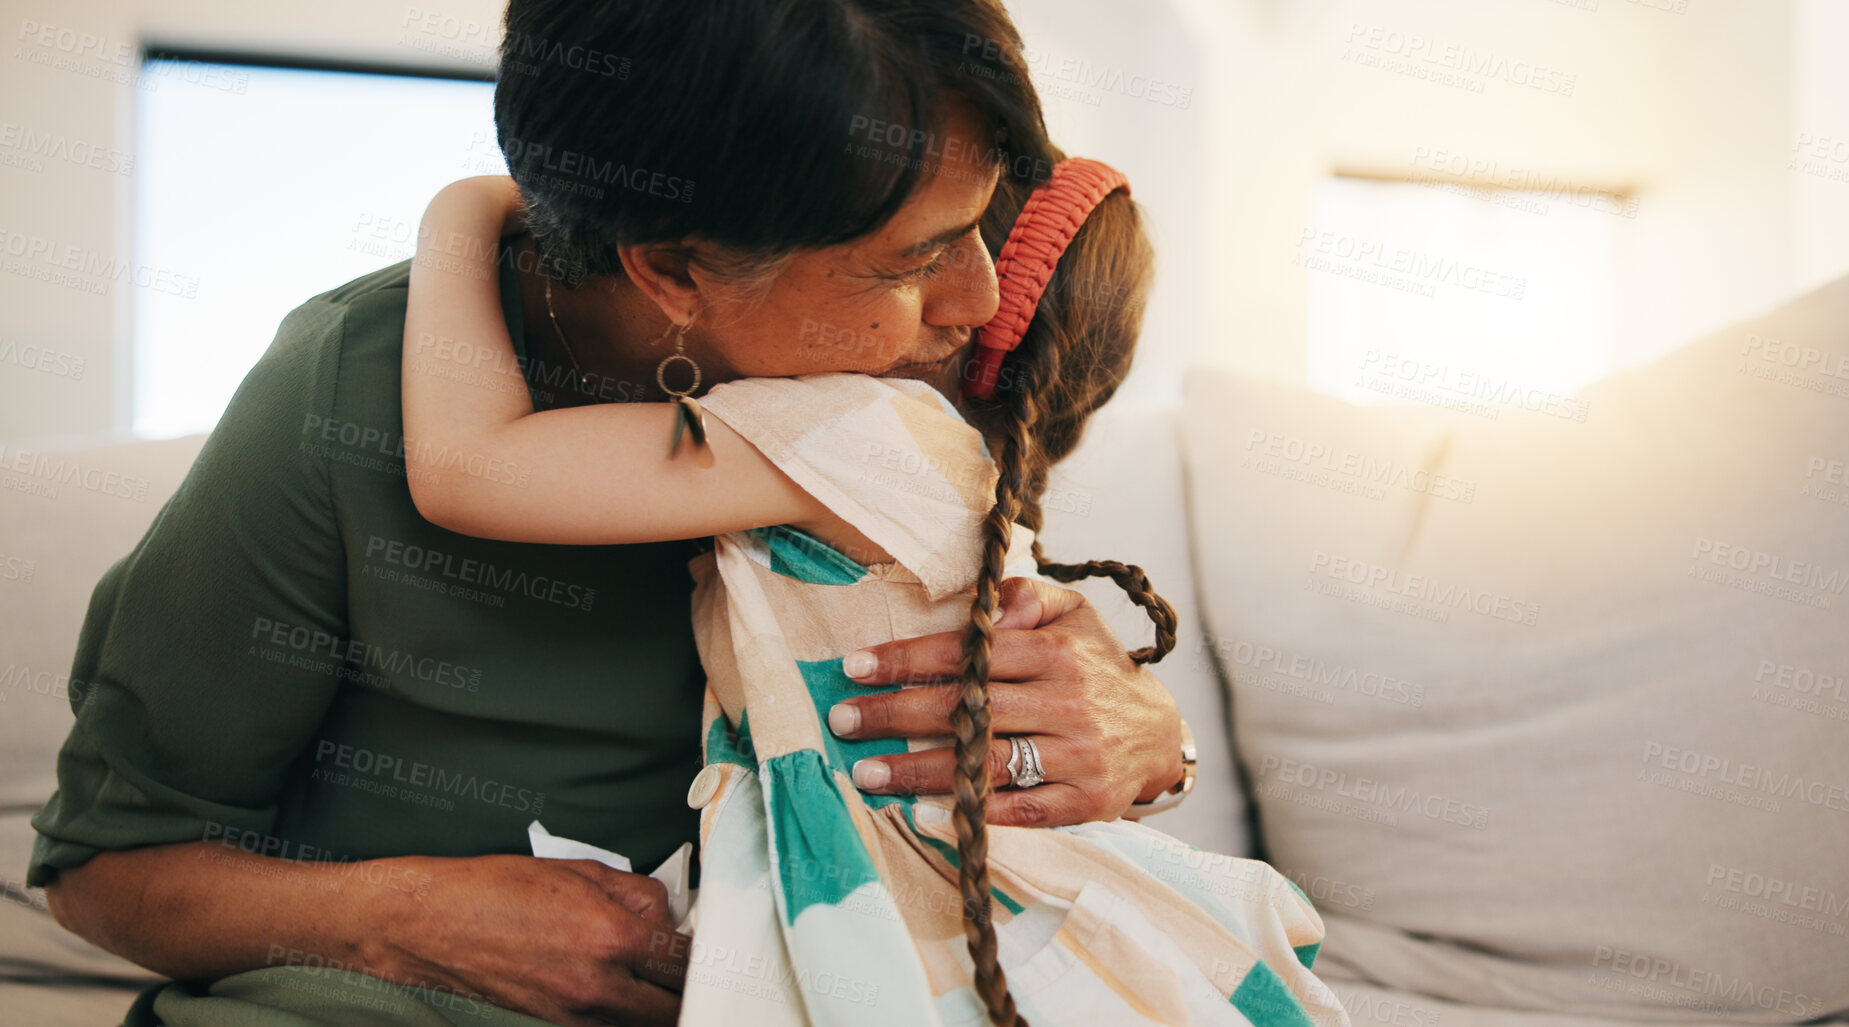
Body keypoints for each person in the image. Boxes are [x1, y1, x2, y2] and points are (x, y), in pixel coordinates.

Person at [27, 3, 1193, 1025]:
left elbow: (1037, 715)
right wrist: (407, 914)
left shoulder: (909, 390)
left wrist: (1149, 743)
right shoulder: (355, 388)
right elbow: (104, 870)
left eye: (980, 231)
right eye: (911, 264)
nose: (974, 309)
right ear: (673, 270)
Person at [397, 112, 1346, 1027]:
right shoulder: (955, 473)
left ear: (949, 309)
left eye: (913, 245)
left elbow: (469, 469)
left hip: (921, 907)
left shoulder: (855, 432)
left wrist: (466, 209)